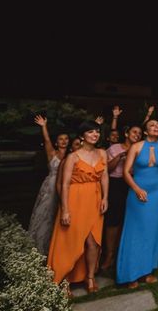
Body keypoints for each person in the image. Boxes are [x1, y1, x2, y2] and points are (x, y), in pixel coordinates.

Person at [47, 120, 108, 294]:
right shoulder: (72, 157)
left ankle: (90, 277)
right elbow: (65, 184)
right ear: (82, 136)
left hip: (95, 199)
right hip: (75, 200)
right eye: (90, 132)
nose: (95, 134)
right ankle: (64, 278)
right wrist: (65, 209)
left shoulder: (102, 153)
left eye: (97, 131)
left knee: (93, 242)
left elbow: (104, 178)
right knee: (70, 240)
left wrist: (106, 198)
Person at [116, 119, 158, 288]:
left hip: (156, 193)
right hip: (138, 193)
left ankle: (146, 272)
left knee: (151, 232)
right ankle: (130, 274)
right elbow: (126, 173)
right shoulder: (135, 147)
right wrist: (136, 189)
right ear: (145, 131)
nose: (156, 127)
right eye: (152, 125)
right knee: (135, 232)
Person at [100, 124, 142, 271]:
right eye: (134, 131)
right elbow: (107, 169)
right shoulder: (114, 148)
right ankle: (109, 255)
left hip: (132, 184)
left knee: (128, 219)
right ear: (126, 133)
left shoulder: (139, 150)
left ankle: (122, 254)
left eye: (139, 133)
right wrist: (120, 157)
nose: (137, 135)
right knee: (113, 221)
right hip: (116, 184)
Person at [28, 115, 69, 255]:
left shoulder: (72, 155)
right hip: (50, 187)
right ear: (57, 142)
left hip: (66, 187)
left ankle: (54, 247)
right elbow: (46, 140)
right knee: (45, 213)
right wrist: (44, 126)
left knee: (59, 215)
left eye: (66, 139)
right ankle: (38, 245)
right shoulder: (52, 153)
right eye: (60, 139)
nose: (63, 141)